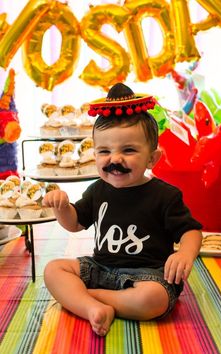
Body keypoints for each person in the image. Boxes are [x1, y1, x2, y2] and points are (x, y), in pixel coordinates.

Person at [43, 83, 203, 336]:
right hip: (101, 268)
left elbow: (191, 231)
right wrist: (62, 207)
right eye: (104, 151)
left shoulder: (165, 195)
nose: (114, 159)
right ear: (94, 154)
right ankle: (93, 308)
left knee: (154, 299)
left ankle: (85, 299)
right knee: (53, 270)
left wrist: (184, 254)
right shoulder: (98, 190)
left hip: (147, 276)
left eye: (128, 150)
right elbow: (74, 224)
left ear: (152, 158)